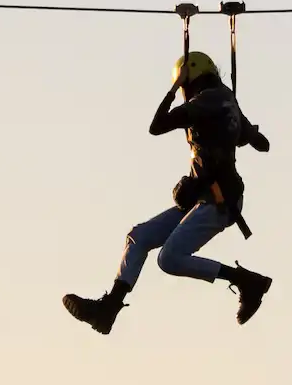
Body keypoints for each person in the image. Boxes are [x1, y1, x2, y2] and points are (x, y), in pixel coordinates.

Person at [63, 51, 273, 334]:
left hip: (218, 200)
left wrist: (173, 91)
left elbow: (157, 126)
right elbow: (262, 143)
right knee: (138, 236)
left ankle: (248, 281)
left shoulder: (207, 101)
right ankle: (108, 310)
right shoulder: (225, 102)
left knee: (169, 259)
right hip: (207, 196)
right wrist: (238, 132)